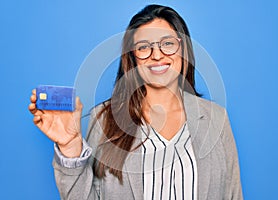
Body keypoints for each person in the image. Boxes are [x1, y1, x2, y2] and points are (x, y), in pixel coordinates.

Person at [28, 4, 243, 200]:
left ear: (184, 49)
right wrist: (70, 146)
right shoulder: (104, 119)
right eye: (143, 47)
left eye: (167, 43)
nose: (156, 55)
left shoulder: (217, 118)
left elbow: (233, 195)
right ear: (132, 57)